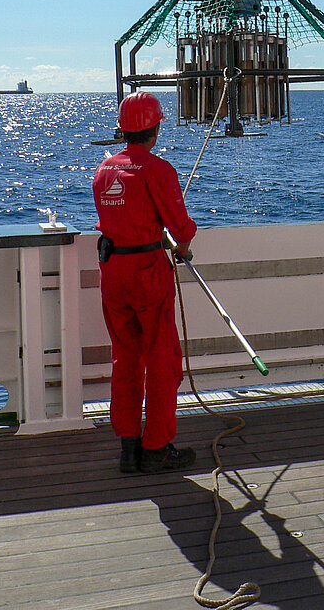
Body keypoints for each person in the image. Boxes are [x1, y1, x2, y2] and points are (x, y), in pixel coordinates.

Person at [93, 91, 197, 473]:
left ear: (123, 130)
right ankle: (157, 448)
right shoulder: (158, 170)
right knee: (162, 359)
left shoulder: (104, 170)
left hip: (112, 274)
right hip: (147, 275)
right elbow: (181, 228)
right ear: (154, 129)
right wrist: (182, 246)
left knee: (125, 359)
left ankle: (128, 447)